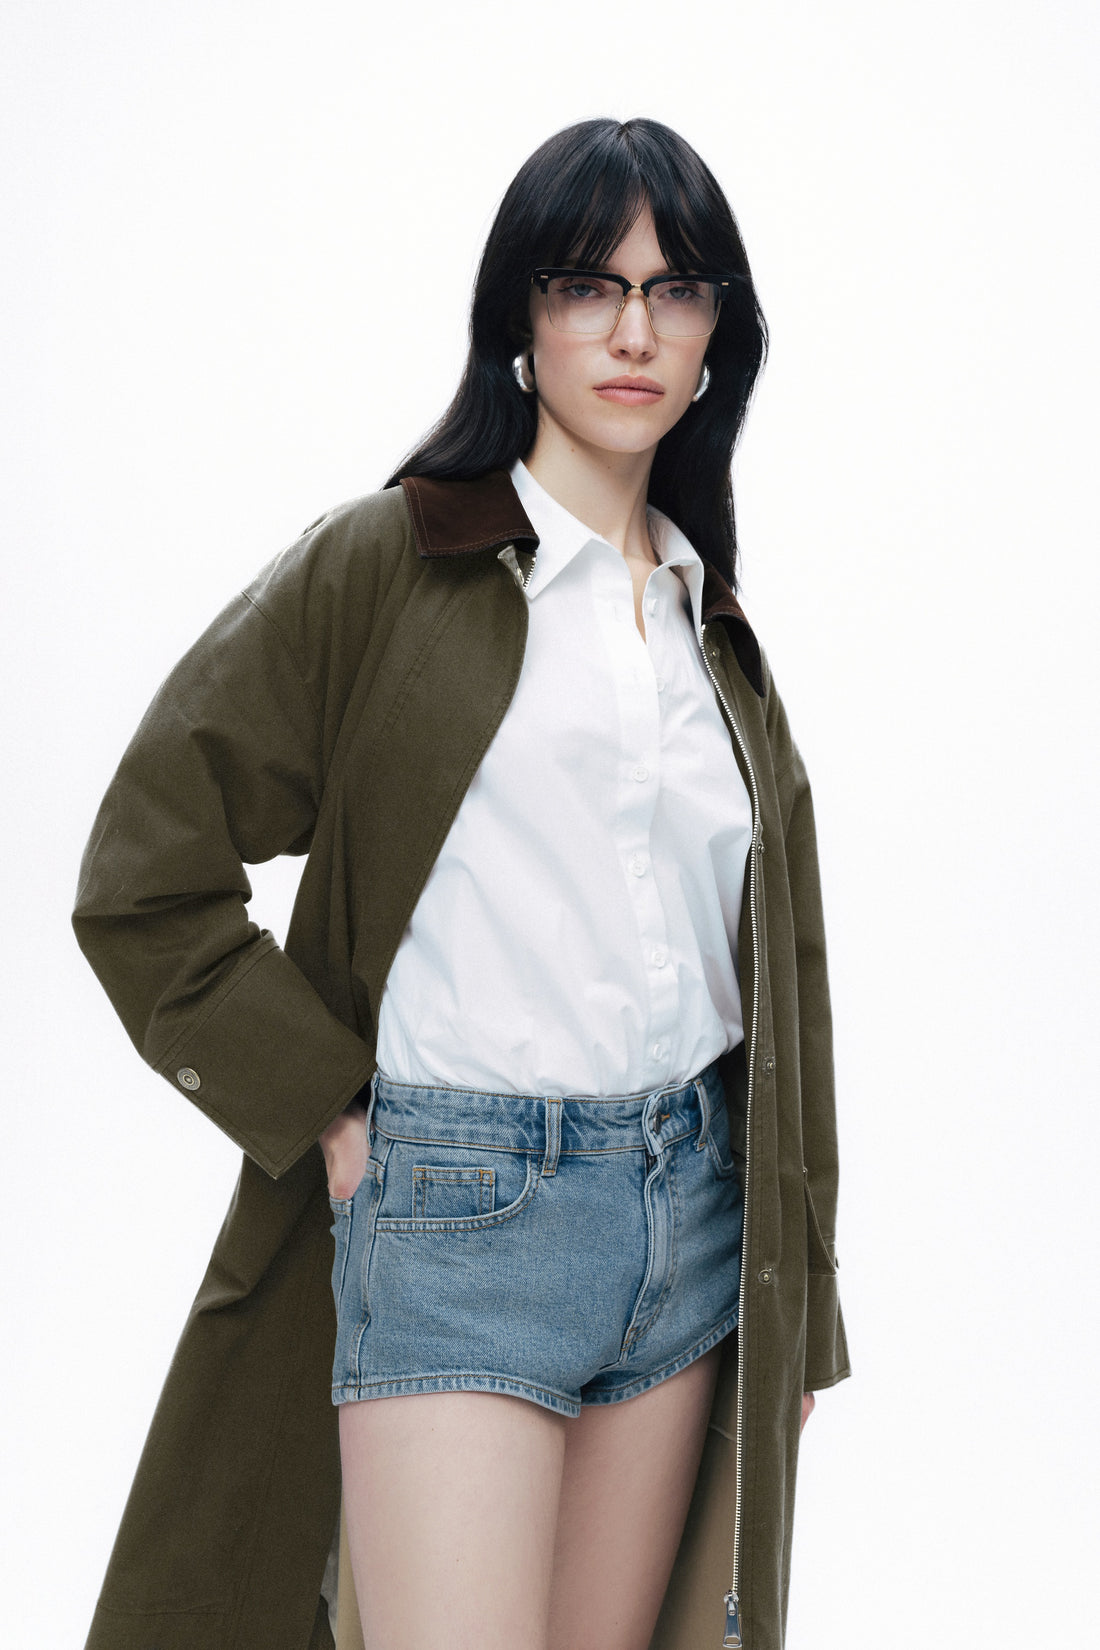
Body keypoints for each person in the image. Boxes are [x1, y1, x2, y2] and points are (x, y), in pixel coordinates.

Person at [73, 116, 850, 1650]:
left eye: (677, 290)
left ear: (718, 336)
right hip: (456, 1212)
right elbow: (146, 871)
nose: (634, 330)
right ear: (520, 320)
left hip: (687, 1222)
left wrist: (797, 1297)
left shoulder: (712, 629)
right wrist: (330, 1115)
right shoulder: (390, 565)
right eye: (588, 284)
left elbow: (782, 985)